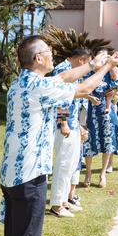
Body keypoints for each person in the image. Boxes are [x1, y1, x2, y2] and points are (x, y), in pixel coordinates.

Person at [0, 35, 118, 236]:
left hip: (12, 174)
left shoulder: (21, 82)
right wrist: (107, 67)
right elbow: (84, 88)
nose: (53, 54)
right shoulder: (39, 87)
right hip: (30, 176)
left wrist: (93, 64)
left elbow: (63, 77)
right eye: (48, 51)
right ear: (38, 58)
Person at [48, 46, 91, 218]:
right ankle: (56, 204)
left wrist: (78, 124)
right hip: (64, 125)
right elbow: (59, 99)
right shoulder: (63, 70)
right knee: (63, 164)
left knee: (71, 164)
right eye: (87, 64)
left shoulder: (71, 71)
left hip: (73, 124)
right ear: (81, 59)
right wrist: (64, 122)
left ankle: (65, 200)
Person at [82, 49, 118, 187]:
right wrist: (89, 97)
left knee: (108, 142)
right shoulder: (90, 73)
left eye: (106, 57)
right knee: (89, 142)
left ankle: (102, 174)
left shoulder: (110, 73)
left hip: (107, 112)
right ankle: (88, 173)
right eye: (101, 57)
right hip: (92, 112)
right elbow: (80, 89)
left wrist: (116, 91)